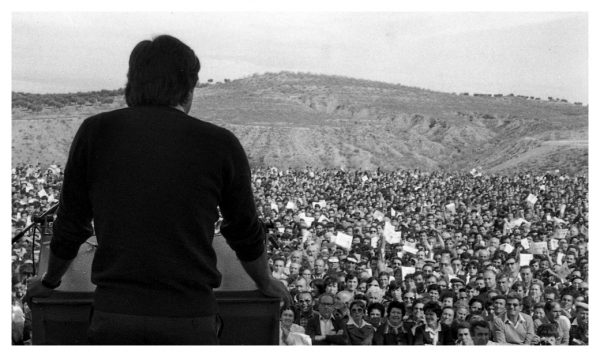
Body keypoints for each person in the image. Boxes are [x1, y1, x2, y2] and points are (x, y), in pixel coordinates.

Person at [23, 34, 290, 345]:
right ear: (188, 87)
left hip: (115, 316)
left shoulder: (96, 132)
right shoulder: (219, 143)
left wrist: (50, 280)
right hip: (190, 319)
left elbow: (71, 224)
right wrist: (265, 281)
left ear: (132, 84)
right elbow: (244, 230)